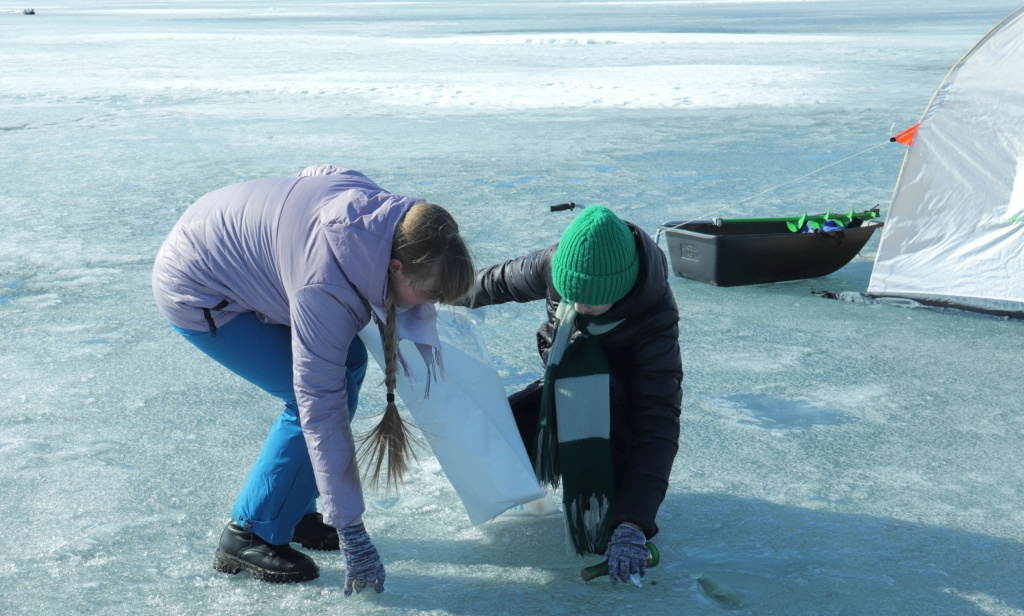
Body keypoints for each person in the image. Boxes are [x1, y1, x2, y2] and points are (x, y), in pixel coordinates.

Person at [152, 164, 474, 593]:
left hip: (215, 233)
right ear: (396, 267)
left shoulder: (379, 215)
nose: (427, 308)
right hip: (198, 289)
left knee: (349, 361)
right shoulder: (325, 289)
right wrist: (352, 533)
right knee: (310, 398)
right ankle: (250, 532)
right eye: (428, 295)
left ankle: (295, 509)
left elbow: (320, 172)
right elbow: (318, 403)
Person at [464, 205, 682, 586]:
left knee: (609, 524)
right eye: (570, 296)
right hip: (563, 392)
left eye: (592, 302)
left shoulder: (655, 316)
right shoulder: (556, 262)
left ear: (620, 289)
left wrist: (633, 523)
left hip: (618, 416)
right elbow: (496, 282)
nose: (578, 309)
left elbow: (658, 422)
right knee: (493, 432)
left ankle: (616, 501)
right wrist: (436, 292)